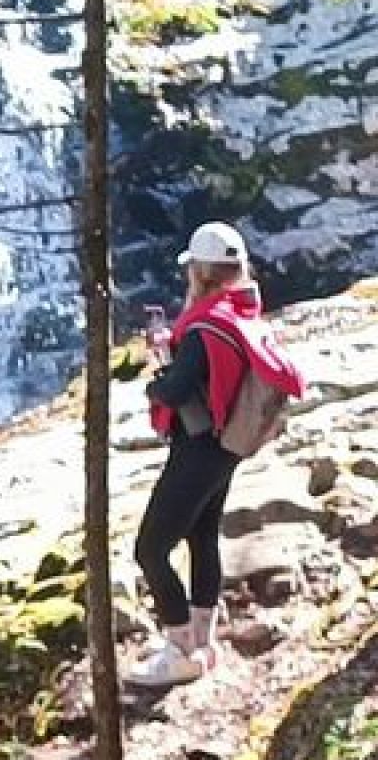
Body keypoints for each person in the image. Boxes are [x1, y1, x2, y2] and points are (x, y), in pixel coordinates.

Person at [126, 220, 303, 689]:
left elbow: (178, 388)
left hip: (199, 448)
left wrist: (157, 380)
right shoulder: (240, 314)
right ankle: (201, 641)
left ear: (201, 272)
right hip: (224, 447)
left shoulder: (204, 326)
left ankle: (182, 651)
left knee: (150, 550)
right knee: (202, 539)